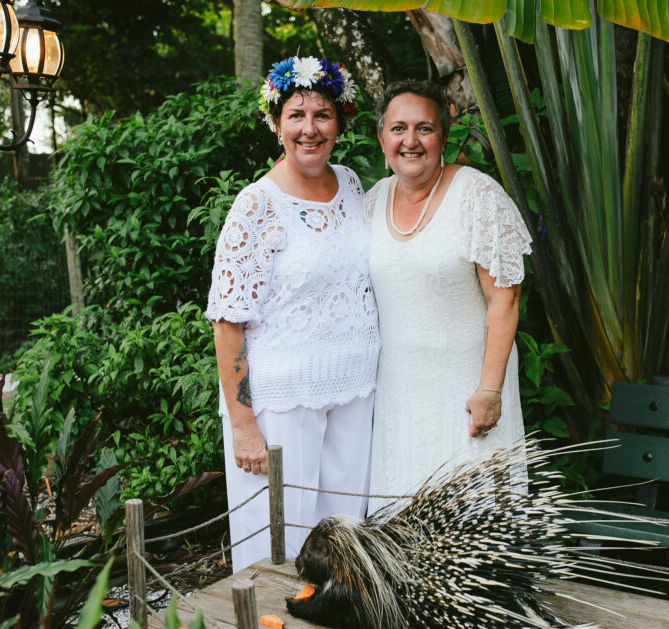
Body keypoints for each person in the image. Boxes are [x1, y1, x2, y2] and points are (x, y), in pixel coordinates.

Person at [205, 56, 379, 571]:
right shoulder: (255, 206)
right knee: (278, 548)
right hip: (281, 404)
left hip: (354, 392)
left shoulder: (351, 185)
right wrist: (242, 424)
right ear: (276, 124)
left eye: (322, 115)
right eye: (296, 115)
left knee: (344, 543)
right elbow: (227, 320)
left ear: (341, 121)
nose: (310, 128)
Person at [366, 80, 531, 513]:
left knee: (470, 524)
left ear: (444, 135)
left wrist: (489, 391)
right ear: (382, 137)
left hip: (466, 393)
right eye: (398, 128)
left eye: (424, 128)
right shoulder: (371, 201)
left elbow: (505, 301)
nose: (410, 140)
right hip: (397, 395)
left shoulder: (477, 196)